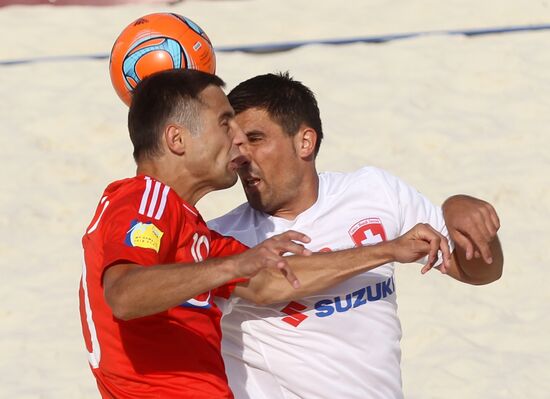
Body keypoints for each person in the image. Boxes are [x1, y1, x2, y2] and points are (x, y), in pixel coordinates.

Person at [78, 69, 452, 399]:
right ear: (177, 140)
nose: (237, 140)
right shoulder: (146, 197)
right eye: (225, 123)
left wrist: (386, 250)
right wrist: (234, 265)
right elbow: (124, 294)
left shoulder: (195, 231)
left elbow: (272, 284)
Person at [208, 72, 504, 399]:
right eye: (235, 144)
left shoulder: (375, 191)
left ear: (305, 142)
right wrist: (387, 250)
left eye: (255, 138)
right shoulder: (222, 236)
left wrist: (461, 210)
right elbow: (268, 284)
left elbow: (482, 271)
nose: (241, 156)